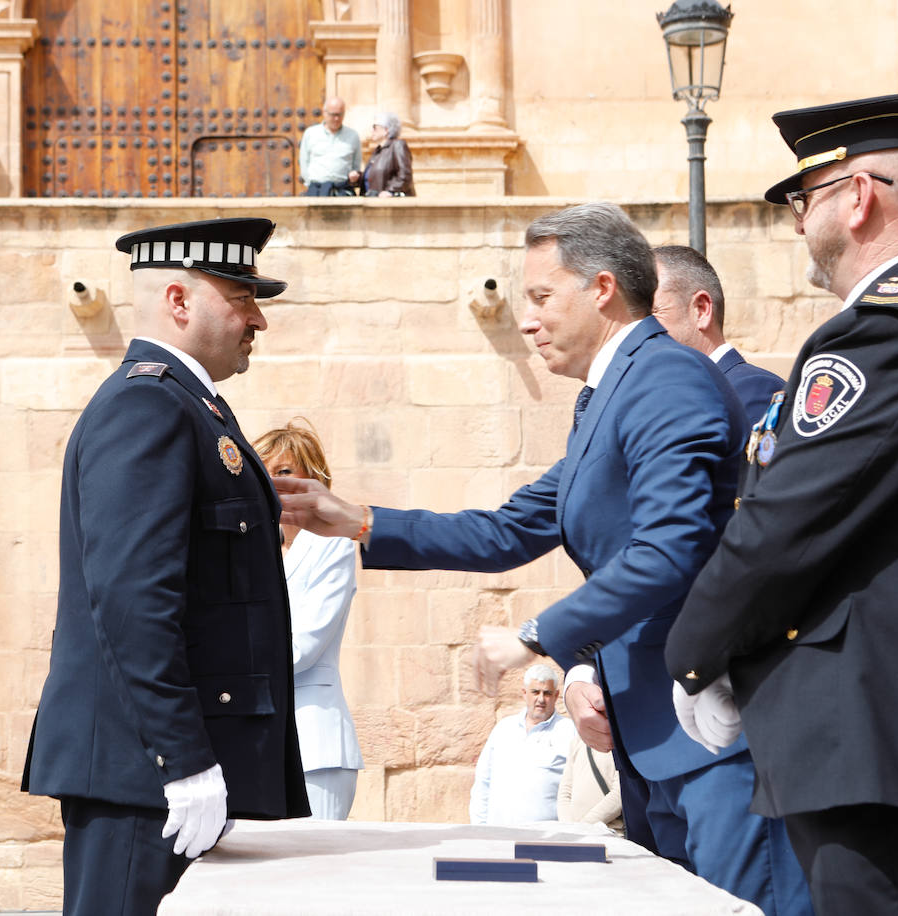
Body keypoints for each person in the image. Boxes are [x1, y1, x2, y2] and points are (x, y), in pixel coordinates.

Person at [276, 201, 811, 916]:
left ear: (602, 289)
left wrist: (537, 636)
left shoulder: (665, 378)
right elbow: (511, 529)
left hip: (709, 735)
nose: (526, 320)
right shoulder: (613, 395)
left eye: (540, 296)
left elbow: (669, 546)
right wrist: (363, 520)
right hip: (654, 741)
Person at [666, 89, 898, 916]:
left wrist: (695, 657)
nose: (798, 222)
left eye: (805, 199)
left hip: (882, 742)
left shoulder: (889, 330)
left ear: (859, 197)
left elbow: (786, 522)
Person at [22, 217, 309, 916]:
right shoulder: (147, 406)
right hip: (149, 782)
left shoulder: (193, 407)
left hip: (189, 771)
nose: (257, 321)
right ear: (179, 302)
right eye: (241, 299)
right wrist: (181, 763)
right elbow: (132, 602)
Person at [253, 419, 363, 821]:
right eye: (262, 472)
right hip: (258, 746)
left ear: (312, 479)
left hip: (315, 743)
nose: (271, 482)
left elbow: (303, 646)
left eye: (284, 472)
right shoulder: (253, 550)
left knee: (315, 876)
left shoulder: (331, 547)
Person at [651, 245, 784, 419]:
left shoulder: (752, 390)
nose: (641, 329)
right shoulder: (667, 399)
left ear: (701, 310)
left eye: (652, 313)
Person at [469, 664, 574, 825]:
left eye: (547, 693)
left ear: (556, 695)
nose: (540, 699)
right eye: (535, 692)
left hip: (548, 838)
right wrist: (479, 827)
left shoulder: (568, 731)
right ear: (524, 693)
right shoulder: (503, 729)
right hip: (498, 834)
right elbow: (483, 781)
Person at [558, 732, 623, 834]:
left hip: (608, 834)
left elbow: (620, 794)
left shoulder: (623, 741)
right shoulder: (578, 740)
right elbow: (565, 791)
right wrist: (568, 827)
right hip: (573, 835)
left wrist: (583, 827)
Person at [298, 97, 361, 196]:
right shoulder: (311, 134)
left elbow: (356, 165)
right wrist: (311, 183)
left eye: (340, 114)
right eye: (333, 114)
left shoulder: (353, 136)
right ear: (324, 113)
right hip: (317, 191)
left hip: (342, 191)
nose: (337, 118)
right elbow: (304, 162)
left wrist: (353, 177)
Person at [362, 112, 414, 198]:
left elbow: (405, 174)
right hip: (373, 201)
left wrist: (391, 191)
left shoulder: (397, 145)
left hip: (389, 203)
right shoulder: (377, 151)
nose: (372, 131)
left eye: (375, 128)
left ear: (386, 130)